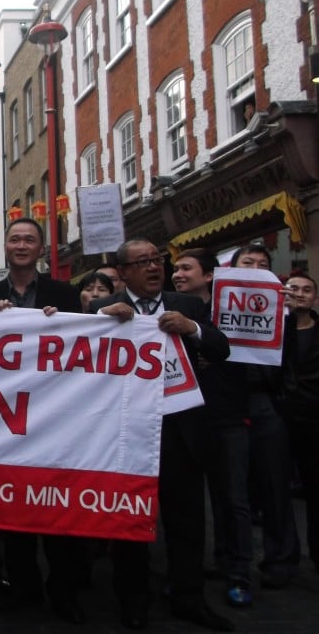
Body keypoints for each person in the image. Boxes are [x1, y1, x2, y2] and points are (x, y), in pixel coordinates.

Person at [91, 238, 232, 632]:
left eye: (157, 260)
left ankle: (190, 599)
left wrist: (194, 330)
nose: (154, 267)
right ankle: (133, 602)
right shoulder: (101, 309)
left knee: (186, 523)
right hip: (127, 435)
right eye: (142, 262)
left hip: (181, 435)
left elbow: (222, 348)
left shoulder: (187, 305)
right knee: (130, 524)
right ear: (122, 273)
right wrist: (101, 316)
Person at [0, 218, 87, 623]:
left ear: (41, 248)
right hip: (6, 420)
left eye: (29, 239)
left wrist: (64, 324)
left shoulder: (66, 295)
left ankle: (64, 589)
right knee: (14, 510)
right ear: (4, 246)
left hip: (55, 418)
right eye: (15, 239)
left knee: (57, 508)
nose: (21, 245)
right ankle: (24, 587)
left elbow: (89, 345)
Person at [172, 248, 253, 607]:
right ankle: (187, 574)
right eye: (175, 268)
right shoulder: (164, 311)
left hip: (225, 416)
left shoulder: (230, 312)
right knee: (184, 504)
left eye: (186, 268)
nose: (177, 274)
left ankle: (237, 571)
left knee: (232, 500)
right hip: (184, 420)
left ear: (209, 275)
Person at [229, 244, 300, 588]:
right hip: (227, 404)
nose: (256, 268)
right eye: (248, 263)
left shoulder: (282, 311)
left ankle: (281, 559)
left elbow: (293, 364)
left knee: (274, 484)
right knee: (231, 491)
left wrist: (288, 316)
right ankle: (232, 561)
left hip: (263, 401)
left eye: (263, 264)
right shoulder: (217, 305)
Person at [279, 275, 319, 575]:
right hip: (282, 415)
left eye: (307, 290)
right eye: (294, 289)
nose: (300, 295)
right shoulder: (278, 330)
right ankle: (284, 555)